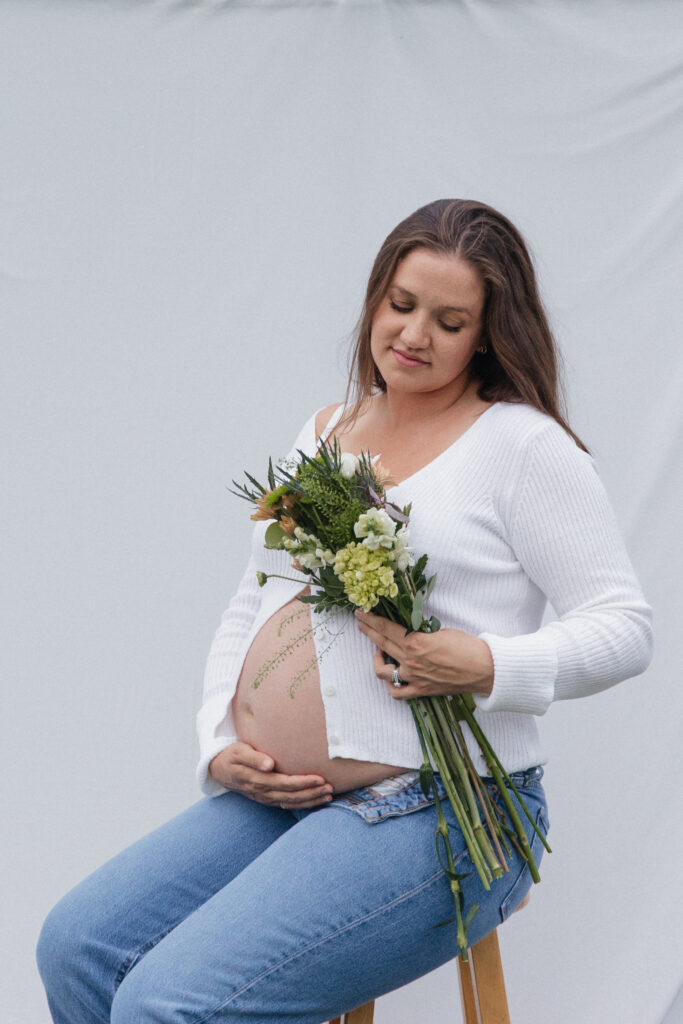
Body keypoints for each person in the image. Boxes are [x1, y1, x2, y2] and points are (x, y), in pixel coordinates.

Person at [35, 198, 653, 1024]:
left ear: (486, 335)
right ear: (374, 298)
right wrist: (219, 740)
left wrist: (487, 664)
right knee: (77, 945)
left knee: (167, 1000)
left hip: (448, 804)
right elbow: (254, 597)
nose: (414, 334)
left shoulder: (520, 446)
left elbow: (623, 627)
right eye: (401, 304)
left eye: (449, 321)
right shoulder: (329, 430)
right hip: (295, 796)